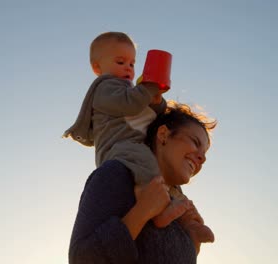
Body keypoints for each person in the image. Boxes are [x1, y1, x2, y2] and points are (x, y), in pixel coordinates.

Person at [69, 101, 217, 263]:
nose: (202, 158)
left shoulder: (179, 209)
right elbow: (81, 259)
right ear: (163, 135)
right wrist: (142, 212)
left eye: (204, 154)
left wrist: (192, 246)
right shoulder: (118, 174)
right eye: (195, 142)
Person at [63, 31, 186, 226]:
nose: (128, 68)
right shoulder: (104, 88)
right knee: (145, 161)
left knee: (161, 167)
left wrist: (156, 101)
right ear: (97, 67)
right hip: (117, 148)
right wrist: (148, 88)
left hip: (135, 145)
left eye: (132, 63)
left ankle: (186, 217)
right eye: (120, 62)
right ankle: (158, 208)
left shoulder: (132, 91)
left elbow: (151, 112)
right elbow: (130, 104)